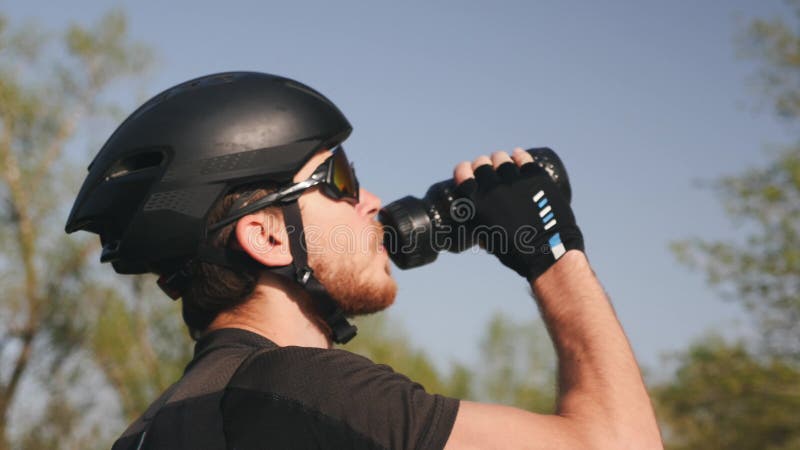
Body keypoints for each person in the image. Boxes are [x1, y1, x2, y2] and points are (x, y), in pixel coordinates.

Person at [65, 71, 663, 449]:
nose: (370, 201)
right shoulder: (302, 390)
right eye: (339, 179)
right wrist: (550, 249)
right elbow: (619, 442)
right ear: (268, 237)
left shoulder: (153, 428)